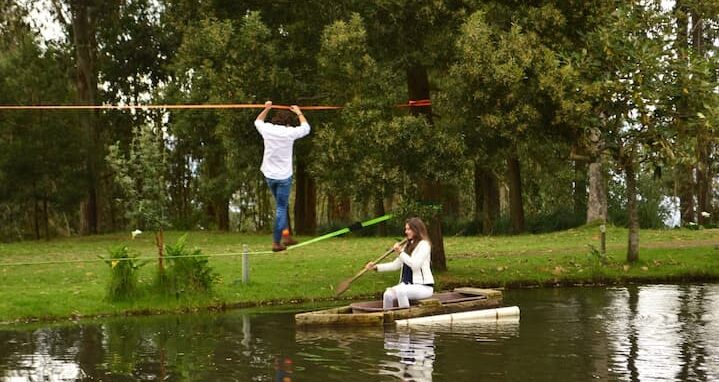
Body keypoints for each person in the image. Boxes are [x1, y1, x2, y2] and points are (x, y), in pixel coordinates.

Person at [255, 100, 310, 252]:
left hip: (269, 175)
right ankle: (276, 242)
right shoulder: (289, 133)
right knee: (281, 208)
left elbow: (258, 121)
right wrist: (298, 112)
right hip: (283, 177)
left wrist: (266, 108)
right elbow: (306, 128)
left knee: (282, 206)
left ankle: (286, 236)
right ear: (288, 123)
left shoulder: (267, 129)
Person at [365, 217, 435, 309]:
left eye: (409, 229)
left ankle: (405, 316)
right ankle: (387, 317)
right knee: (387, 294)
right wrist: (375, 267)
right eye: (406, 229)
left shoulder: (424, 245)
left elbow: (415, 265)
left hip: (423, 287)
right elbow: (395, 265)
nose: (406, 231)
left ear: (416, 229)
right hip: (406, 286)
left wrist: (400, 252)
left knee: (401, 291)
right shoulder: (407, 245)